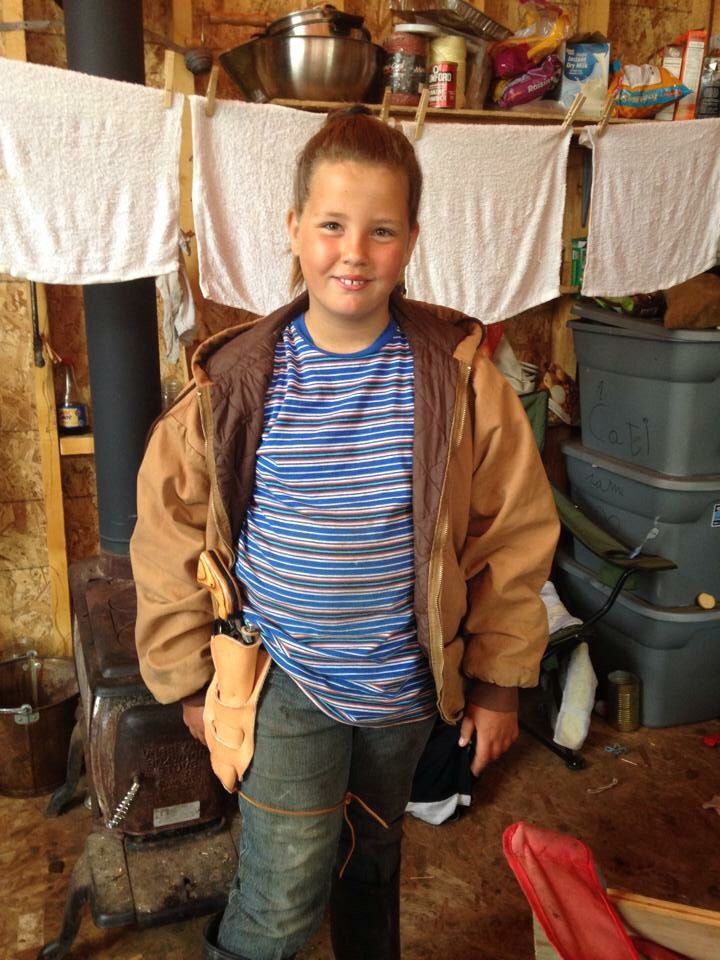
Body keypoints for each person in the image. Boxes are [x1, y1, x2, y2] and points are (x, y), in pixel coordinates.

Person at [130, 106, 559, 960]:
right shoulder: (237, 383)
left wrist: (500, 683)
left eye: (381, 230)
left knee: (372, 857)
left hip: (405, 682)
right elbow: (169, 531)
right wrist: (187, 678)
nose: (353, 251)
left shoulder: (462, 383)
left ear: (411, 241)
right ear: (294, 229)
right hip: (283, 677)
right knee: (285, 898)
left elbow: (510, 534)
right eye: (331, 225)